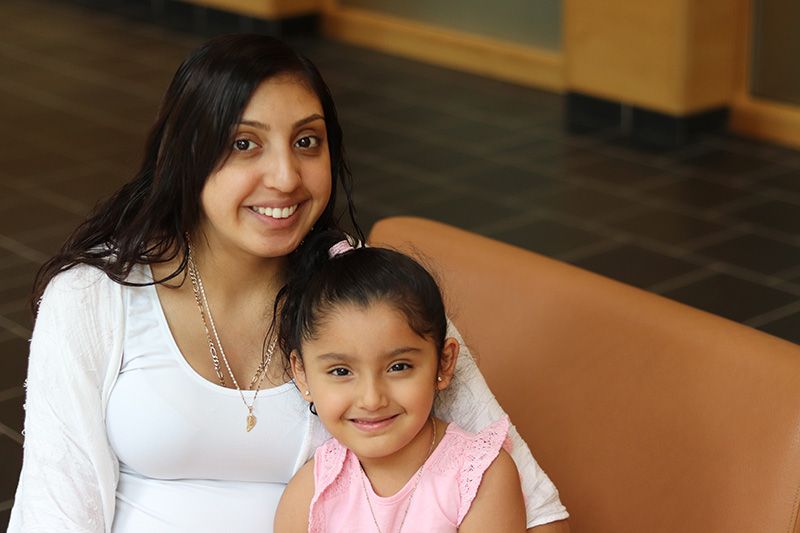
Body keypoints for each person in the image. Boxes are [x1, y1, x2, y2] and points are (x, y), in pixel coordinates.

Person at [8, 33, 569, 533]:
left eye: (307, 142)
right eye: (244, 143)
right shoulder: (94, 294)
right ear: (187, 157)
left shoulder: (371, 297)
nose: (285, 177)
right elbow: (54, 511)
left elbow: (536, 507)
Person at [274, 231, 528, 532]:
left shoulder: (480, 476)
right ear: (302, 374)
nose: (372, 399)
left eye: (398, 366)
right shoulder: (311, 493)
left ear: (443, 363)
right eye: (341, 371)